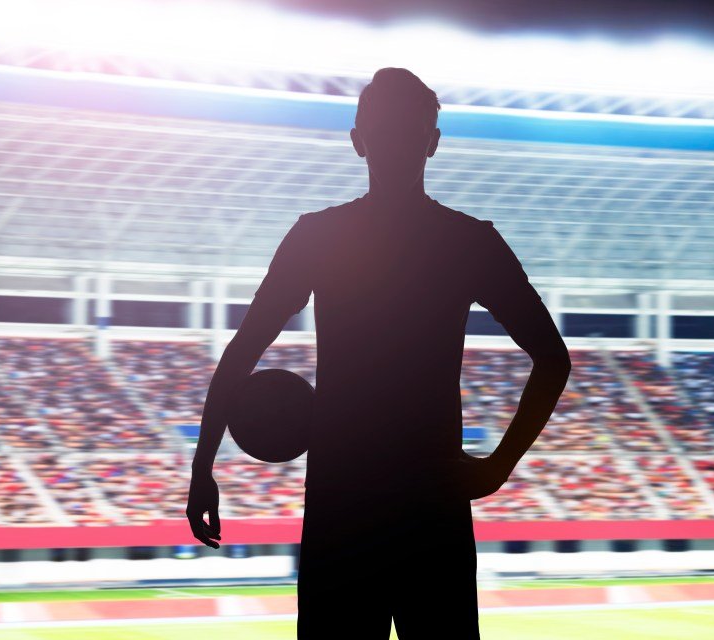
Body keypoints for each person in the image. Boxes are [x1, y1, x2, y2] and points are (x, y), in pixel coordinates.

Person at [187, 67, 571, 639]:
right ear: (428, 142)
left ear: (360, 140)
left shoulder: (318, 236)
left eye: (401, 133)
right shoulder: (469, 241)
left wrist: (203, 467)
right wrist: (495, 467)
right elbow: (553, 359)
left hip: (343, 508)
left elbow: (243, 351)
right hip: (430, 506)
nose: (395, 145)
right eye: (392, 132)